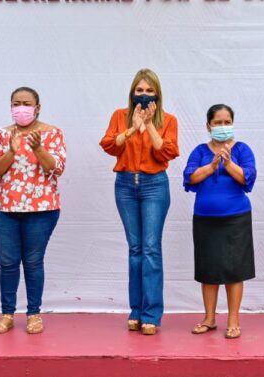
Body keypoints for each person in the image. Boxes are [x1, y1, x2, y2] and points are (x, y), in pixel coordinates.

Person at [100, 68, 180, 335]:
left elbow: (167, 152)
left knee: (151, 249)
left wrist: (148, 126)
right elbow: (110, 145)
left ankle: (151, 314)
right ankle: (135, 311)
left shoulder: (168, 119)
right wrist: (133, 127)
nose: (144, 96)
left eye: (149, 91)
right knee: (135, 249)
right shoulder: (119, 116)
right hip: (125, 184)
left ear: (157, 93)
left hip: (154, 185)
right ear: (132, 92)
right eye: (139, 90)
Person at [0, 87, 66, 335]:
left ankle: (33, 314)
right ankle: (7, 314)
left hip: (42, 209)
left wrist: (38, 148)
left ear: (37, 107)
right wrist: (12, 150)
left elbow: (57, 168)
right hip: (6, 208)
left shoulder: (52, 134)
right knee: (7, 263)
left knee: (32, 261)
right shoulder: (2, 134)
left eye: (27, 103)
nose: (21, 108)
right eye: (16, 103)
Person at [183, 104, 256, 339]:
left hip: (236, 217)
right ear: (208, 126)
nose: (222, 127)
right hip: (205, 218)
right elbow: (190, 178)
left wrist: (227, 163)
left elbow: (247, 178)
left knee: (235, 269)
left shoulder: (242, 149)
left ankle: (233, 320)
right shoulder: (200, 151)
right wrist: (212, 165)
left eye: (227, 122)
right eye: (217, 123)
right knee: (208, 268)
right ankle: (209, 318)